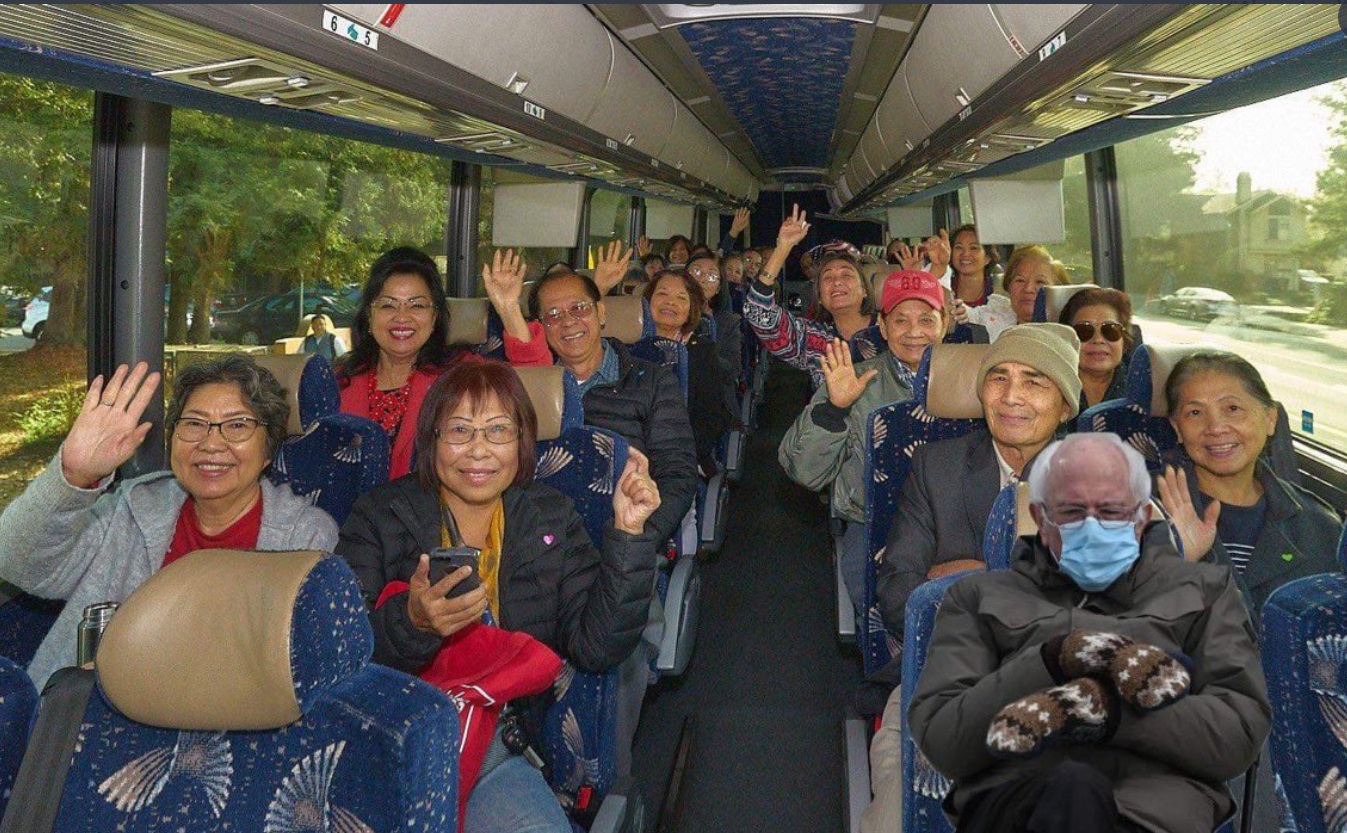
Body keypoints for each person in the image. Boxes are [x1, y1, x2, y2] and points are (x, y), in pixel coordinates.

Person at [337, 362, 662, 833]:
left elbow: (597, 647)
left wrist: (628, 534)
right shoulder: (379, 515)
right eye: (460, 431)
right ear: (431, 440)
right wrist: (412, 623)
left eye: (498, 431)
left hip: (499, 744)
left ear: (522, 443)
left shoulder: (551, 516)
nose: (478, 450)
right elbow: (338, 652)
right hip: (392, 736)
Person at [908, 432, 1269, 833]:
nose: (1093, 528)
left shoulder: (1205, 593)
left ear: (1142, 518)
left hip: (1153, 809)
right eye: (1072, 511)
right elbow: (944, 740)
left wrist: (1107, 712)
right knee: (1068, 787)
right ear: (1041, 519)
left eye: (1112, 511)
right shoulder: (977, 599)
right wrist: (1055, 657)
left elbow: (1237, 736)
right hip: (1019, 800)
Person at [0, 357, 339, 690]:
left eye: (237, 425)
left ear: (268, 450)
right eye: (194, 423)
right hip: (74, 719)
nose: (210, 443)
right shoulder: (130, 507)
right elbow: (17, 564)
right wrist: (74, 476)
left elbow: (289, 676)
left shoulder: (304, 537)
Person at [876, 323, 1082, 638]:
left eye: (1034, 382)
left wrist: (973, 578)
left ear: (1065, 406)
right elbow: (897, 597)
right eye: (998, 378)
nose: (1011, 397)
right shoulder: (936, 466)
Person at [779, 270, 950, 610]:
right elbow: (803, 472)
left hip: (952, 526)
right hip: (872, 522)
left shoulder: (973, 383)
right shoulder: (852, 382)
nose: (915, 332)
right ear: (883, 328)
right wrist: (834, 409)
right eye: (901, 321)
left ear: (944, 324)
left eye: (926, 320)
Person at [336, 247, 550, 479]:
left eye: (416, 305)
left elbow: (534, 392)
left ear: (435, 317)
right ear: (369, 316)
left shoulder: (460, 373)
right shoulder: (338, 380)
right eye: (388, 305)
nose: (402, 316)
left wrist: (509, 310)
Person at [1156, 351, 1343, 613]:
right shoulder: (1142, 517)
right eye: (1195, 412)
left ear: (1270, 419)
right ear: (1177, 429)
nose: (1216, 427)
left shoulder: (1320, 526)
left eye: (1232, 408)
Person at [529, 270, 697, 546]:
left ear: (601, 314)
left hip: (626, 535)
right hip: (543, 546)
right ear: (541, 328)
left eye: (579, 308)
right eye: (554, 315)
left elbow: (676, 475)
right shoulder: (531, 389)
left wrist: (636, 538)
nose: (568, 321)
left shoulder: (653, 381)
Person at [645, 270, 735, 477]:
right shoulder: (624, 349)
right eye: (662, 294)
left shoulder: (701, 351)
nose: (670, 303)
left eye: (681, 298)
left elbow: (709, 420)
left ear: (690, 310)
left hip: (679, 458)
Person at [970, 245, 1070, 341]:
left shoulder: (1070, 335)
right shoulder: (991, 318)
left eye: (1040, 282)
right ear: (1008, 286)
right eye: (1020, 281)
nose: (1028, 289)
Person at [686, 252, 744, 415]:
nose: (702, 279)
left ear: (719, 288)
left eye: (711, 276)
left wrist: (704, 347)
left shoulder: (728, 322)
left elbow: (732, 370)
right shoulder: (668, 316)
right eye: (696, 272)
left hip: (712, 402)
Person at [1058, 287, 1134, 412]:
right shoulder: (1050, 386)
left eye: (1110, 330)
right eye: (1084, 331)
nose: (1098, 339)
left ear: (1124, 340)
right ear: (1067, 339)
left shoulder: (1143, 388)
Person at [949, 224, 997, 307]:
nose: (965, 254)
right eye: (959, 247)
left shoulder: (1000, 290)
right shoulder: (942, 289)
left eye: (974, 248)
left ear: (988, 257)